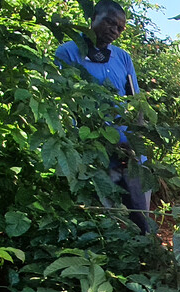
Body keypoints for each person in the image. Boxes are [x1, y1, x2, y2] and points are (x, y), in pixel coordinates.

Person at [55, 0, 151, 234]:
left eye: (119, 28)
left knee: (140, 217)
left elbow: (135, 102)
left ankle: (145, 260)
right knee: (103, 217)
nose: (114, 30)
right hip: (93, 150)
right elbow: (64, 104)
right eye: (109, 22)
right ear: (94, 17)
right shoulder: (68, 52)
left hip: (127, 150)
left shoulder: (122, 58)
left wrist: (137, 145)